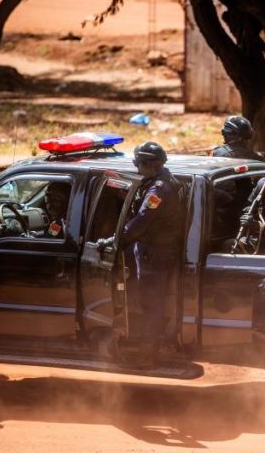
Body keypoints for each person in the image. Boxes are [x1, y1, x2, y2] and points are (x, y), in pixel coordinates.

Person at [97, 141, 183, 368]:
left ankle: (148, 353)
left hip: (155, 254)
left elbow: (142, 221)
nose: (136, 168)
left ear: (147, 164)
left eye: (138, 164)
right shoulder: (160, 181)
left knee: (151, 303)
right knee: (149, 301)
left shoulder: (158, 190)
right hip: (153, 250)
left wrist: (116, 240)